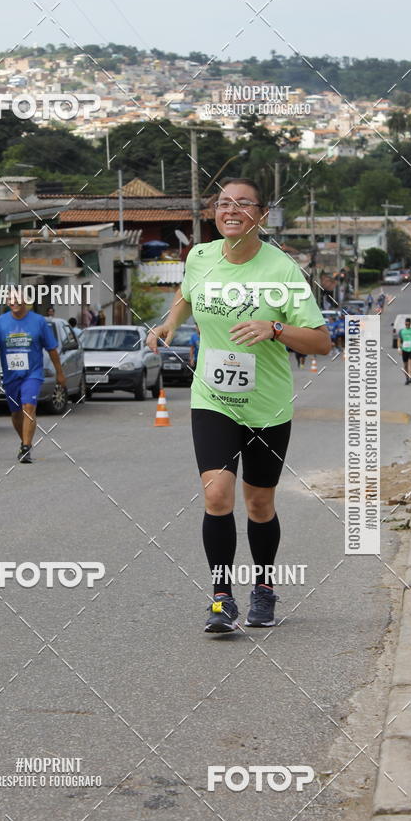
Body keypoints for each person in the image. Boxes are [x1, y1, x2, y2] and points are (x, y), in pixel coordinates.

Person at [147, 178, 331, 633]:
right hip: (213, 397)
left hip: (267, 405)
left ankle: (264, 589)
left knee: (259, 504)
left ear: (261, 215)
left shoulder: (282, 271)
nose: (230, 210)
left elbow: (322, 341)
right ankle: (221, 598)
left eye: (242, 204)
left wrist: (274, 328)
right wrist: (170, 321)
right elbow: (188, 293)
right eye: (223, 203)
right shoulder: (200, 256)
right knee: (216, 495)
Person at [0, 290, 66, 463]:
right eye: (11, 299)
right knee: (16, 414)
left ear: (25, 301)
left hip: (32, 373)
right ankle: (24, 441)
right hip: (11, 375)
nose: (14, 302)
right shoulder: (1, 323)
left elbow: (52, 349)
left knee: (28, 406)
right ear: (7, 301)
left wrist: (59, 372)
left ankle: (26, 447)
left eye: (18, 299)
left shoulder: (38, 322)